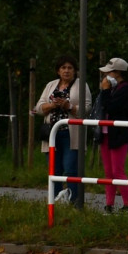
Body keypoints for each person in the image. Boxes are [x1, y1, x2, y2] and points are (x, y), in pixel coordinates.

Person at [34, 55, 92, 204]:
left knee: (70, 168)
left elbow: (86, 109)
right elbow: (38, 108)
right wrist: (52, 105)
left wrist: (69, 106)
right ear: (58, 71)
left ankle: (74, 201)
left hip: (71, 134)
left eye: (70, 68)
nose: (66, 71)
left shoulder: (81, 85)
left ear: (75, 71)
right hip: (51, 134)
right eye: (63, 68)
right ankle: (55, 201)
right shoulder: (51, 85)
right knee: (54, 169)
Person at [95, 57, 128, 214]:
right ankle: (109, 204)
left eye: (108, 73)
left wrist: (105, 90)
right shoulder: (113, 89)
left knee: (117, 171)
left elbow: (111, 108)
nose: (105, 77)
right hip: (106, 133)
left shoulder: (125, 90)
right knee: (108, 172)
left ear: (118, 73)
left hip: (119, 134)